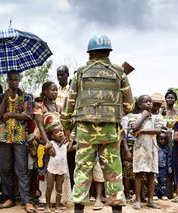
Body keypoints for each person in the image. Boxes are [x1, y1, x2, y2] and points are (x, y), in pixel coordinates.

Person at [60, 35, 134, 213]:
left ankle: (79, 210)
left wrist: (67, 127)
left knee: (82, 171)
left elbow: (68, 106)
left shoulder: (81, 73)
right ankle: (116, 210)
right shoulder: (119, 72)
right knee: (113, 172)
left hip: (85, 130)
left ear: (90, 53)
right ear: (108, 52)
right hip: (110, 131)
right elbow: (129, 105)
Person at [0, 70, 36, 213]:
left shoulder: (27, 96)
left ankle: (26, 201)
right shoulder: (1, 96)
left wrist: (11, 114)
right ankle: (9, 198)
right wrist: (6, 100)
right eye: (11, 80)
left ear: (19, 80)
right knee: (5, 169)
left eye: (16, 80)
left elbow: (29, 115)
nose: (13, 82)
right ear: (7, 81)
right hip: (4, 138)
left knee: (22, 170)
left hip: (20, 138)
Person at [33, 81, 71, 210]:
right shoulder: (39, 107)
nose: (55, 92)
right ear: (45, 92)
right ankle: (45, 201)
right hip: (45, 143)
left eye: (56, 90)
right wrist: (48, 143)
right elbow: (41, 127)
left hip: (59, 144)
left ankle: (59, 201)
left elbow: (64, 125)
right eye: (52, 90)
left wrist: (67, 138)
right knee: (46, 174)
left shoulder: (59, 107)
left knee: (60, 173)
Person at [131, 95, 162, 209]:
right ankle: (138, 200)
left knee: (151, 174)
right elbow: (134, 128)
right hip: (140, 148)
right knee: (139, 173)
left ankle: (150, 200)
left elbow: (158, 130)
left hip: (152, 148)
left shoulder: (157, 117)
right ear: (139, 105)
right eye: (145, 102)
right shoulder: (135, 117)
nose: (149, 103)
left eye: (150, 101)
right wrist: (144, 116)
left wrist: (143, 130)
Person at [43, 115, 68, 213]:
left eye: (61, 130)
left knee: (59, 188)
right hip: (51, 169)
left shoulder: (66, 143)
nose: (61, 132)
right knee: (49, 187)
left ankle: (57, 206)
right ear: (52, 136)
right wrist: (46, 148)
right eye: (57, 132)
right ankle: (47, 205)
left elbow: (72, 147)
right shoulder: (51, 143)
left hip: (61, 169)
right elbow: (45, 153)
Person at [156, 129, 172, 200]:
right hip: (155, 167)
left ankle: (163, 194)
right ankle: (154, 194)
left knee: (163, 181)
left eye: (164, 139)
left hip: (163, 168)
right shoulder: (155, 147)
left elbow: (169, 158)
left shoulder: (167, 148)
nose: (162, 141)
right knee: (155, 181)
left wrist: (169, 167)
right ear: (157, 139)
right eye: (161, 139)